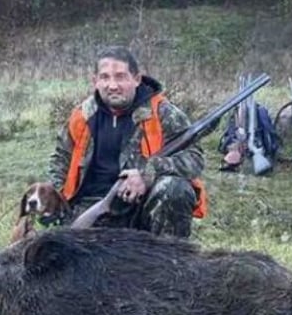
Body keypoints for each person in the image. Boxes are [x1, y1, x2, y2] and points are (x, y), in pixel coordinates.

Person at [48, 46, 206, 238]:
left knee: (175, 189)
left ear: (137, 79)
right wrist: (55, 202)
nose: (112, 85)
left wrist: (148, 174)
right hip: (90, 207)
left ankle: (169, 260)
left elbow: (194, 158)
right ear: (95, 81)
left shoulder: (162, 112)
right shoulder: (82, 115)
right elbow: (60, 160)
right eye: (105, 77)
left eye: (120, 77)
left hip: (141, 209)